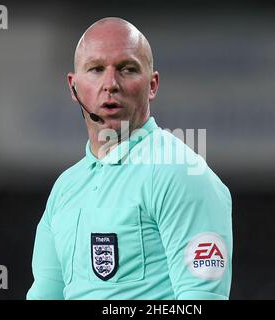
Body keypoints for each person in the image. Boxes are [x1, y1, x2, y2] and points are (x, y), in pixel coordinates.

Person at [26, 17, 233, 300]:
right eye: (96, 69)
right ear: (73, 87)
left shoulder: (180, 173)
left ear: (152, 84)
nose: (111, 84)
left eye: (127, 69)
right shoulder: (65, 188)